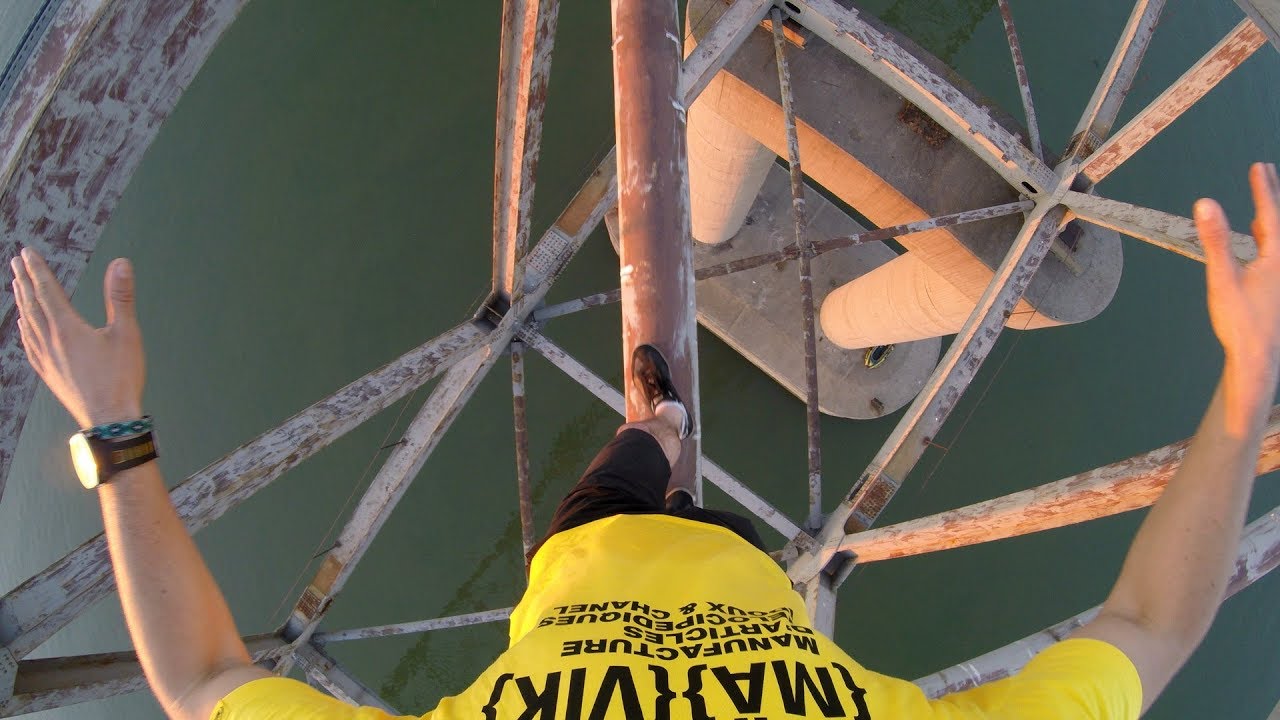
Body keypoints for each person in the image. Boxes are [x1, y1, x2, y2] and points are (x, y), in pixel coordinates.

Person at [8, 162, 1279, 719]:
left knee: (632, 468)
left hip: (595, 549)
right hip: (744, 581)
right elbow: (1147, 628)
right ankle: (661, 433)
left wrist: (119, 436)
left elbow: (203, 682)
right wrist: (1241, 391)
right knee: (671, 496)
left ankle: (656, 427)